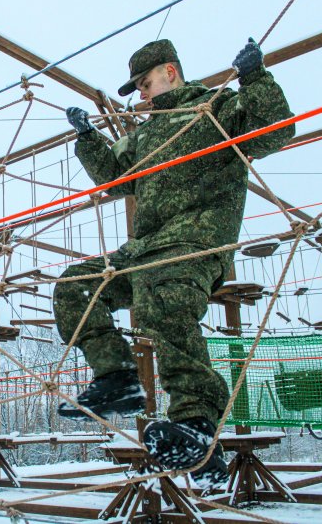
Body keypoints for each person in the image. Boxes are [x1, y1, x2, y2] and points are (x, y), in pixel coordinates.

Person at [53, 38, 294, 489]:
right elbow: (114, 177)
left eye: (144, 84)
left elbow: (275, 130)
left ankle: (196, 424)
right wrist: (88, 138)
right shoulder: (145, 133)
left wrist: (256, 77)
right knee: (76, 287)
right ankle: (116, 377)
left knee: (163, 304)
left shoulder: (213, 108)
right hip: (143, 248)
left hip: (195, 239)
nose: (142, 95)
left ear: (170, 71)